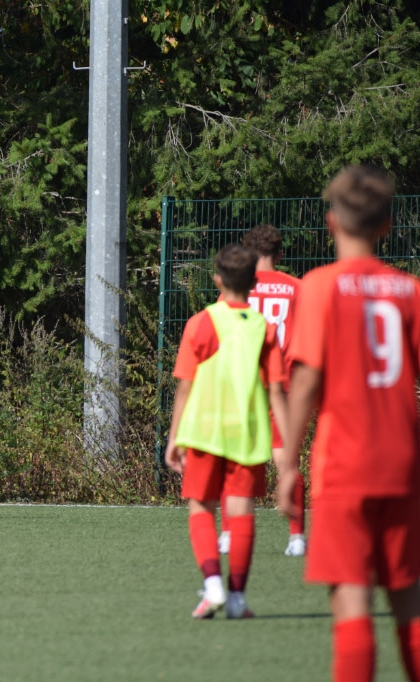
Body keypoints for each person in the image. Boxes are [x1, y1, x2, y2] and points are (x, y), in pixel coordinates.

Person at [278, 166, 420, 682]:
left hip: (345, 464)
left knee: (353, 603)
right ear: (387, 225)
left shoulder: (320, 287)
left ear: (331, 221)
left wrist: (288, 463)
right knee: (409, 603)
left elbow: (307, 379)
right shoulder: (410, 290)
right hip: (404, 463)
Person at [165, 244, 288, 619]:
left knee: (201, 506)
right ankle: (236, 598)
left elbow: (184, 386)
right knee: (241, 512)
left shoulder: (201, 323)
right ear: (254, 283)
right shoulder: (263, 328)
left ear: (217, 279)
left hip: (203, 431)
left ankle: (213, 585)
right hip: (246, 434)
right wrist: (288, 445)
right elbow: (276, 391)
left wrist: (174, 437)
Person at [218, 224, 306, 557]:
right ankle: (296, 537)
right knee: (286, 461)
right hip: (284, 385)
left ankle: (229, 533)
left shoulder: (238, 288)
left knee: (236, 462)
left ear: (248, 254)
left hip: (244, 384)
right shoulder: (296, 288)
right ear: (279, 254)